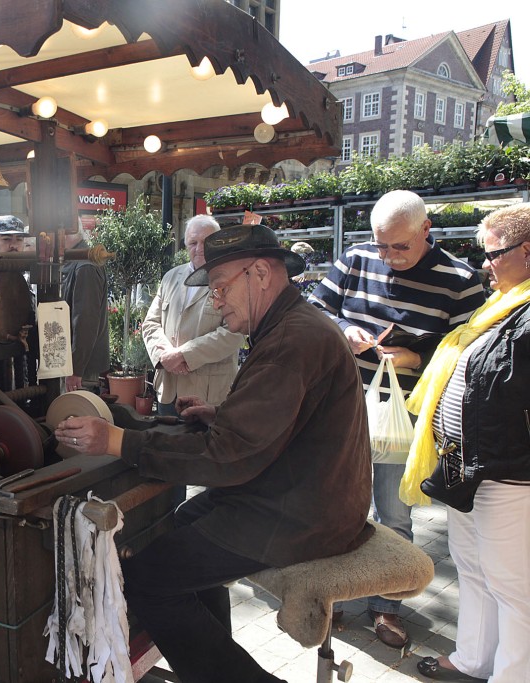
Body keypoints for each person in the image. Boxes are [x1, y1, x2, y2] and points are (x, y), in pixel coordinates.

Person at [54, 224, 372, 683]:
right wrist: (221, 414)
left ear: (260, 273)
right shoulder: (291, 326)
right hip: (301, 492)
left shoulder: (290, 341)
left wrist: (117, 441)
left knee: (145, 580)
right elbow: (281, 417)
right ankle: (213, 656)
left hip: (302, 514)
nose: (216, 300)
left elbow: (226, 458)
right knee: (184, 518)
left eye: (221, 287)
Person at [308, 189, 486, 647]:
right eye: (381, 245)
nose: (388, 256)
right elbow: (316, 309)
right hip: (342, 409)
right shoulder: (356, 258)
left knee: (392, 515)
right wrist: (345, 328)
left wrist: (415, 358)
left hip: (403, 418)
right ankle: (336, 596)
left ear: (426, 229)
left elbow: (470, 354)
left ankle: (387, 606)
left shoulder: (460, 280)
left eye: (399, 246)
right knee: (336, 508)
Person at [404, 205, 530, 683]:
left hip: (509, 472)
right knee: (473, 568)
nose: (485, 265)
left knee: (513, 586)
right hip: (466, 464)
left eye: (493, 254)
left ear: (527, 251)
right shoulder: (502, 305)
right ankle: (474, 660)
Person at [142, 215, 243, 414]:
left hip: (208, 396)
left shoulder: (233, 280)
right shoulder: (171, 277)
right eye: (193, 243)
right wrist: (165, 355)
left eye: (206, 242)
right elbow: (151, 323)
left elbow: (234, 333)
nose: (199, 248)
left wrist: (183, 355)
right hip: (168, 391)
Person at [60, 228, 109, 392]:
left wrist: (76, 369)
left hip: (80, 370)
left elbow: (85, 321)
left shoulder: (85, 266)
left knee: (76, 407)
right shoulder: (77, 261)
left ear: (63, 233)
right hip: (77, 365)